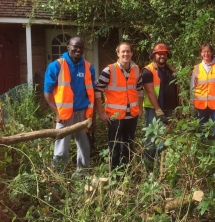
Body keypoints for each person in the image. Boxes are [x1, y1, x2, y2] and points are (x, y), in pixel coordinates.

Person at [44, 37, 95, 176]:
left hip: (83, 114)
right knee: (61, 150)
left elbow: (91, 93)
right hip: (64, 116)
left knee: (84, 148)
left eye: (81, 47)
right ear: (68, 47)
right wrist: (57, 113)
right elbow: (47, 93)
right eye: (75, 47)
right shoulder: (56, 66)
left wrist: (91, 116)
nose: (78, 50)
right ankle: (57, 180)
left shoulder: (89, 67)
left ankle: (83, 177)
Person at [94, 42, 143, 171]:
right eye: (123, 52)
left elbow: (140, 90)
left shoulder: (136, 69)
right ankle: (113, 175)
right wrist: (101, 113)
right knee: (114, 147)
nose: (126, 54)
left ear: (131, 53)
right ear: (118, 54)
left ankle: (126, 174)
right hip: (114, 117)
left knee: (128, 146)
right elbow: (97, 90)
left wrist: (140, 109)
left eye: (128, 51)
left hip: (132, 116)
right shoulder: (109, 70)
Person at [143, 42, 179, 160]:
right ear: (154, 56)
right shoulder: (148, 71)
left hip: (169, 108)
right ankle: (149, 163)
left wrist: (178, 107)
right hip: (154, 109)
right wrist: (158, 110)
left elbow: (177, 90)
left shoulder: (172, 71)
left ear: (168, 55)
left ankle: (161, 163)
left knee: (165, 137)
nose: (162, 56)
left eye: (164, 54)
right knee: (151, 136)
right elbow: (150, 92)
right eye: (159, 54)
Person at [190, 43, 215, 140]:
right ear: (201, 53)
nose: (206, 53)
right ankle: (203, 151)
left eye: (208, 51)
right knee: (201, 132)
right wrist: (192, 103)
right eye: (204, 51)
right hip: (200, 105)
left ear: (212, 52)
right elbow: (193, 87)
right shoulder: (196, 68)